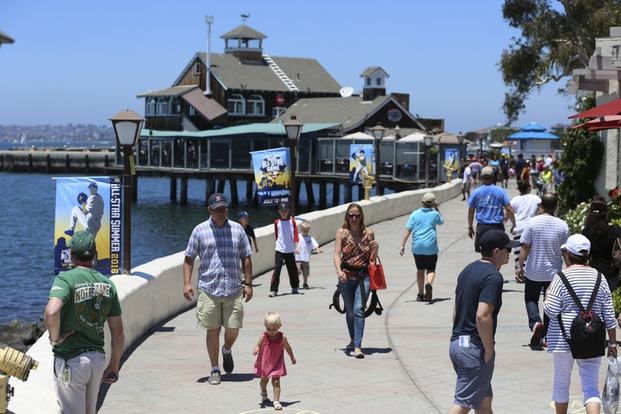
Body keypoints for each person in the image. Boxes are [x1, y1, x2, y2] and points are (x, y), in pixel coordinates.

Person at [44, 231, 124, 414]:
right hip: (97, 361)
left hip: (71, 360)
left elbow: (51, 311)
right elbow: (118, 333)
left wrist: (55, 339)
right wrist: (114, 365)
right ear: (95, 254)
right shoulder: (108, 284)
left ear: (72, 255)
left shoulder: (66, 279)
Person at [183, 193, 253, 385]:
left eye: (224, 208)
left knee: (233, 327)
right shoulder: (199, 230)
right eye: (218, 209)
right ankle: (215, 368)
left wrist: (248, 284)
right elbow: (189, 258)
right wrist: (187, 283)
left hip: (233, 287)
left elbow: (246, 257)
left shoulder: (238, 230)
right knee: (212, 329)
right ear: (210, 210)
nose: (222, 212)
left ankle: (227, 349)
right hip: (208, 288)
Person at [543, 234, 617, 414]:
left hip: (562, 339)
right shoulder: (599, 278)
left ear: (567, 253)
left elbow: (551, 310)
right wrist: (613, 342)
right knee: (591, 387)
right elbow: (609, 313)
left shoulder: (560, 278)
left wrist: (547, 297)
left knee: (561, 382)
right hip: (592, 337)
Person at [448, 230, 519, 414]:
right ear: (496, 252)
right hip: (474, 348)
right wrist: (488, 348)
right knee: (463, 403)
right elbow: (483, 315)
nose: (510, 254)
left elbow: (456, 309)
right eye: (507, 250)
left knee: (484, 399)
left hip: (458, 344)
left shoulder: (467, 270)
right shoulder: (493, 277)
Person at [518, 192, 569, 348]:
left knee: (531, 299)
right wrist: (569, 268)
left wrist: (520, 265)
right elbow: (565, 251)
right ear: (556, 206)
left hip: (534, 270)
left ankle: (535, 323)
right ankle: (547, 336)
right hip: (553, 273)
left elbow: (525, 247)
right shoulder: (562, 225)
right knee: (551, 302)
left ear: (541, 205)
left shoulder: (532, 223)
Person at [333, 203, 379, 358]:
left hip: (363, 277)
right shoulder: (342, 233)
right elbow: (336, 254)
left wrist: (376, 249)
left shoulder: (369, 233)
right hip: (346, 276)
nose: (354, 218)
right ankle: (353, 340)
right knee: (350, 312)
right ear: (347, 216)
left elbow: (372, 258)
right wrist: (338, 271)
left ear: (361, 216)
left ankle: (358, 346)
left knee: (359, 310)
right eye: (351, 215)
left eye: (357, 215)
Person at [399, 192, 444, 302]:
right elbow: (441, 221)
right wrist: (437, 208)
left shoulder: (415, 214)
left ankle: (420, 293)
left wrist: (402, 245)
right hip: (431, 246)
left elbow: (408, 229)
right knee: (431, 269)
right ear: (433, 204)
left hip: (417, 246)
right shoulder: (434, 214)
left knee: (420, 269)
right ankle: (428, 283)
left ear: (422, 202)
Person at [253, 311, 296, 411]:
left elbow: (288, 348)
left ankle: (276, 401)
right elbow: (257, 345)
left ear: (279, 326)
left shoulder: (282, 337)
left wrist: (292, 357)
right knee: (264, 381)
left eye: (274, 329)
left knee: (276, 381)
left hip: (277, 363)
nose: (271, 331)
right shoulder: (263, 337)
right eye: (269, 329)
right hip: (265, 363)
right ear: (265, 326)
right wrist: (256, 349)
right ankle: (263, 393)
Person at [467, 166, 516, 253]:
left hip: (482, 228)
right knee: (499, 254)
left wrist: (470, 227)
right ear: (493, 176)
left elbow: (471, 211)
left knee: (485, 254)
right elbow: (509, 209)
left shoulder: (476, 192)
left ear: (481, 177)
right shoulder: (500, 191)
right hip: (497, 227)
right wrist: (513, 224)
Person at [582, 197, 621, 291]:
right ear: (606, 213)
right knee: (608, 302)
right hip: (612, 272)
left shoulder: (586, 232)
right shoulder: (615, 229)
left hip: (594, 273)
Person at [509, 181, 541, 282]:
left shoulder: (514, 200)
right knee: (531, 252)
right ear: (529, 188)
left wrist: (513, 224)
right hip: (532, 228)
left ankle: (519, 273)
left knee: (519, 253)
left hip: (519, 228)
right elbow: (541, 210)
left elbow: (509, 212)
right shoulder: (536, 198)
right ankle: (529, 274)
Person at [270, 202, 300, 297]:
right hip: (279, 249)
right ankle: (274, 290)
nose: (284, 212)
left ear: (288, 211)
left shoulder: (292, 221)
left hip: (290, 249)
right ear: (279, 211)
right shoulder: (276, 222)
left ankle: (294, 287)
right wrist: (278, 244)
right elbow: (276, 235)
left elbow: (295, 234)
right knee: (277, 270)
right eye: (282, 211)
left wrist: (297, 247)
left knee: (292, 270)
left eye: (285, 210)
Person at [295, 221, 321, 290]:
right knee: (297, 270)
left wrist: (317, 249)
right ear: (301, 230)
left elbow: (315, 244)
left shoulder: (310, 238)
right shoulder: (298, 236)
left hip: (306, 258)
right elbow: (295, 243)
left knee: (306, 272)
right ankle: (296, 282)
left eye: (307, 230)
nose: (305, 232)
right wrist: (296, 248)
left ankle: (305, 283)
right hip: (298, 258)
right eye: (304, 230)